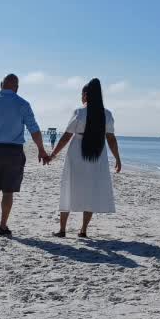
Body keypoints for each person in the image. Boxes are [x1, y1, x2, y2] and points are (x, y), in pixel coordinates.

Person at [0, 74, 50, 236]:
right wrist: (41, 149)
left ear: (0, 85)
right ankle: (3, 225)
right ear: (16, 87)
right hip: (13, 151)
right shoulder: (23, 104)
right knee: (8, 191)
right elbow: (34, 129)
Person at [48, 78, 121, 239]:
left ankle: (62, 229)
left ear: (86, 95)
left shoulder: (79, 112)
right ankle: (83, 230)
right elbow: (111, 139)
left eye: (82, 94)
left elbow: (66, 136)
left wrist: (53, 155)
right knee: (91, 191)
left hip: (77, 153)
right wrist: (117, 158)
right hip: (97, 155)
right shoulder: (107, 114)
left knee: (68, 188)